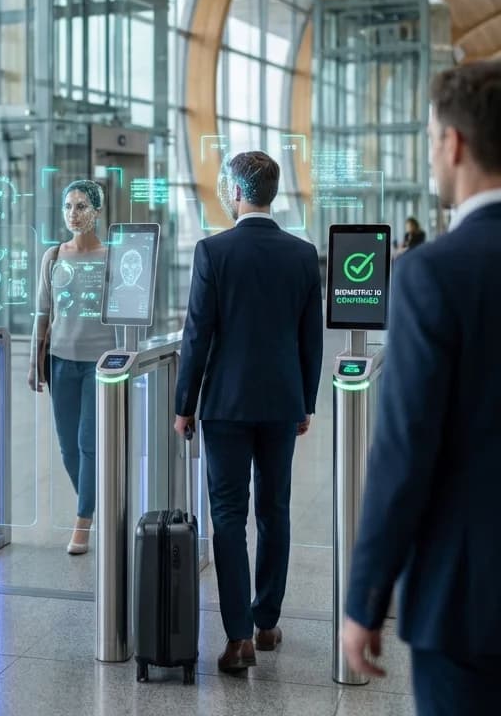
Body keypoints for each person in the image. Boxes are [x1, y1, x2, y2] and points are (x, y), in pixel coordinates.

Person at [341, 62, 501, 715]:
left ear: (454, 144)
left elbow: (405, 451)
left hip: (466, 602)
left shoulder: (433, 274)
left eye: (432, 138)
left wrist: (365, 600)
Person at [173, 151, 323, 674]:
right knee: (274, 510)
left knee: (229, 515)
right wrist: (306, 401)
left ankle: (237, 639)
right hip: (281, 402)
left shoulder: (213, 251)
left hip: (226, 406)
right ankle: (266, 624)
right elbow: (311, 340)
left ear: (237, 192)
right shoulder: (303, 255)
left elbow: (198, 334)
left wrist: (183, 405)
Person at [28, 180, 115, 555]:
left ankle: (84, 520)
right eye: (68, 206)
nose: (73, 214)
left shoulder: (111, 256)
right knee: (67, 448)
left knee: (87, 442)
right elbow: (43, 315)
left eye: (81, 206)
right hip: (62, 361)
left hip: (99, 363)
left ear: (97, 212)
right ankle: (99, 502)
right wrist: (35, 361)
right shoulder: (53, 257)